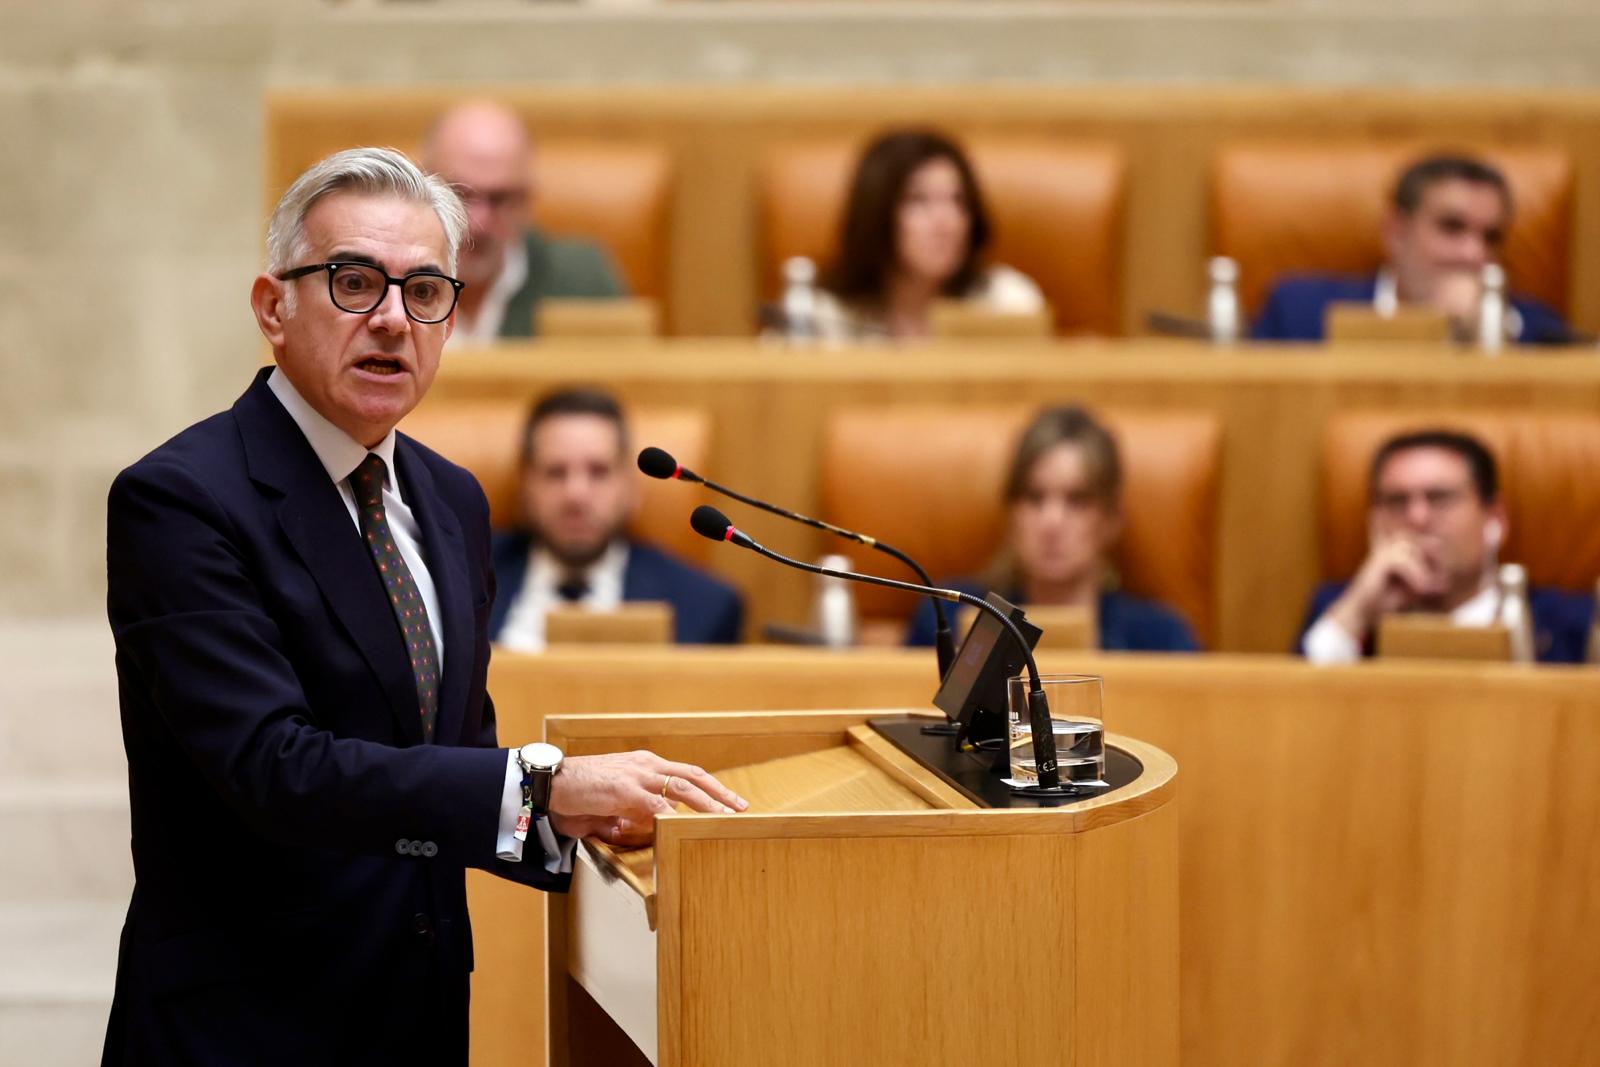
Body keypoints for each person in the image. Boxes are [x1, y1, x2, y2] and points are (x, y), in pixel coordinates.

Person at [100, 147, 745, 1066]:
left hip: (419, 1015)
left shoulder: (450, 501)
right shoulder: (183, 500)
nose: (394, 320)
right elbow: (270, 766)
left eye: (426, 291)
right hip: (244, 1026)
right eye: (355, 282)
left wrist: (574, 815)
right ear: (272, 306)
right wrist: (542, 785)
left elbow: (445, 760)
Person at [907, 406, 1198, 652]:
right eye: (1035, 498)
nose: (1052, 522)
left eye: (1077, 500)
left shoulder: (1161, 640)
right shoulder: (946, 616)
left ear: (1111, 518)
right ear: (1011, 513)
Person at [1298, 428, 1594, 663]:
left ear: (1495, 519)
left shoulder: (1567, 624)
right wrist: (1357, 611)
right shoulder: (1339, 612)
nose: (1417, 518)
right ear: (1374, 523)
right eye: (1397, 501)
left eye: (1439, 498)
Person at [490, 387, 743, 649]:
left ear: (631, 487)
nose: (576, 494)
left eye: (598, 472)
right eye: (555, 472)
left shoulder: (704, 606)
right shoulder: (462, 580)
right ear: (524, 486)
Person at [1251, 153, 1569, 344]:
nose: (1474, 254)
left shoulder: (1537, 331)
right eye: (1451, 227)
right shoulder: (1299, 314)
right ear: (1396, 232)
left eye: (1492, 237)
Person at [809, 129, 1046, 341]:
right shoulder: (827, 314)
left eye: (957, 201)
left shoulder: (1006, 303)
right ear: (876, 211)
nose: (945, 221)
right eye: (919, 200)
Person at [421, 100, 625, 341]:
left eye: (501, 199)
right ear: (425, 188)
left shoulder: (581, 282)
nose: (479, 222)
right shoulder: (389, 280)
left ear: (528, 198)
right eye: (460, 195)